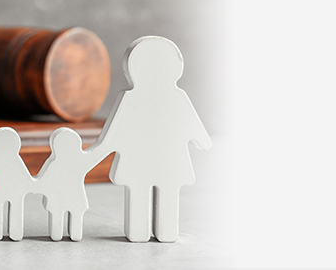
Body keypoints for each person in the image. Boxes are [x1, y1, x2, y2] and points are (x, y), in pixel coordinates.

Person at [87, 36, 212, 242]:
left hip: (148, 163)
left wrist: (95, 154)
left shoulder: (162, 98)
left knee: (150, 192)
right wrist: (203, 142)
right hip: (163, 163)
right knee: (151, 192)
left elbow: (111, 137)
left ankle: (149, 231)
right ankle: (154, 232)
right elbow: (198, 133)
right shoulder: (159, 98)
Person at [35, 127, 109, 241]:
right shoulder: (71, 161)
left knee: (66, 214)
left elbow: (43, 179)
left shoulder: (57, 163)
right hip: (67, 198)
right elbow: (95, 156)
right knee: (65, 214)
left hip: (64, 198)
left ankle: (62, 234)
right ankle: (65, 234)